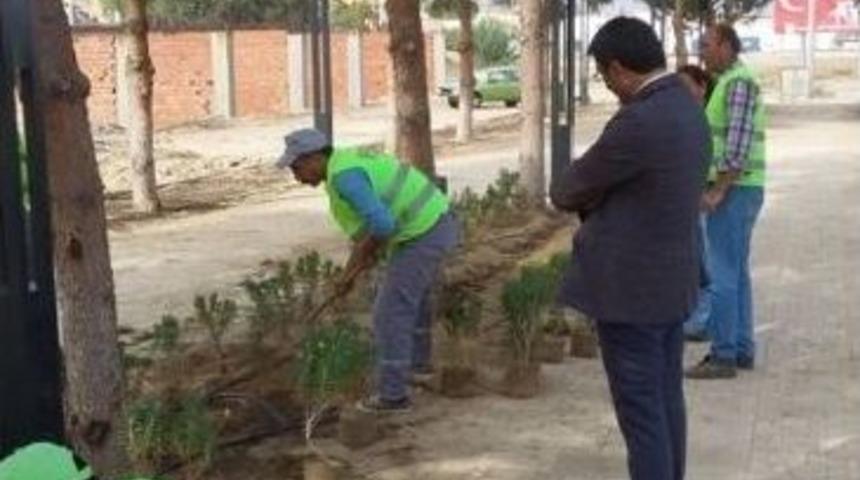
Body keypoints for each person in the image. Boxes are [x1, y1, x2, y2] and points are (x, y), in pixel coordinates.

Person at [550, 17, 709, 480]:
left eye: (604, 77)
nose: (609, 87)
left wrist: (596, 199)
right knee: (665, 400)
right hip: (671, 285)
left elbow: (567, 190)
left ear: (618, 68)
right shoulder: (687, 106)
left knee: (641, 415)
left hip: (630, 295)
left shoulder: (639, 119)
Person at [276, 128, 459, 413]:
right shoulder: (345, 164)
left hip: (424, 232)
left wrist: (355, 265)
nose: (297, 177)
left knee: (390, 312)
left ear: (314, 158)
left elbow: (382, 227)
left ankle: (393, 396)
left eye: (297, 168)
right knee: (413, 299)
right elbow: (368, 237)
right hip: (433, 221)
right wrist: (350, 273)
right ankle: (417, 368)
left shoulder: (345, 178)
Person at [685, 24, 766, 379]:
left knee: (722, 274)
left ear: (726, 46)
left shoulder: (737, 83)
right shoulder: (730, 82)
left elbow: (737, 146)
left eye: (706, 45)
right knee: (736, 272)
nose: (702, 52)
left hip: (735, 190)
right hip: (741, 188)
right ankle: (741, 348)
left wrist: (718, 190)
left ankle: (723, 354)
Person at [677, 64, 715, 342]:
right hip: (688, 199)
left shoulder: (706, 117)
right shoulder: (683, 118)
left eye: (686, 85)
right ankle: (694, 318)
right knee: (692, 260)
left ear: (702, 87)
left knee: (704, 261)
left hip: (702, 197)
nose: (680, 91)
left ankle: (701, 322)